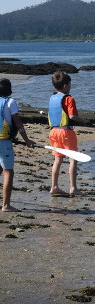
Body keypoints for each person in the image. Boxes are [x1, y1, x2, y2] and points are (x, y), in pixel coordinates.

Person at [48, 71, 90, 196]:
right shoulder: (69, 98)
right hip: (66, 132)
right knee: (73, 159)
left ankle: (54, 187)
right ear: (65, 85)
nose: (71, 87)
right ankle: (73, 188)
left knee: (58, 159)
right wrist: (83, 120)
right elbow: (72, 116)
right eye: (70, 85)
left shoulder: (52, 97)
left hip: (54, 132)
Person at [0, 79, 35, 211]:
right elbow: (19, 124)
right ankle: (6, 205)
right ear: (9, 90)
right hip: (3, 142)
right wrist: (27, 140)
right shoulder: (10, 102)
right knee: (9, 172)